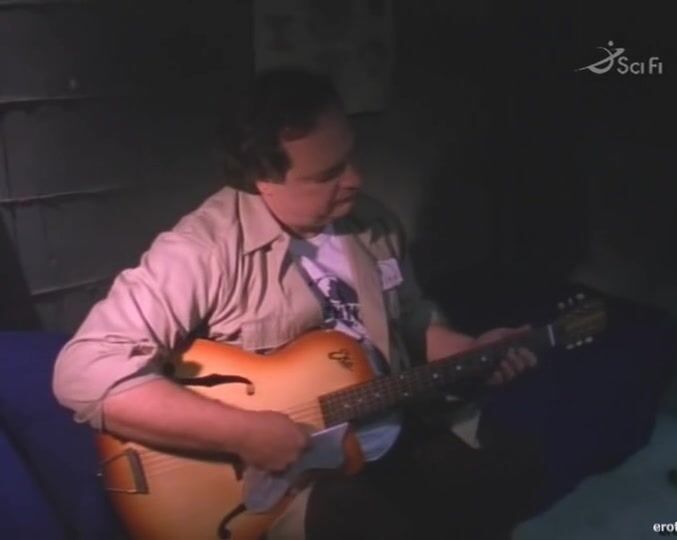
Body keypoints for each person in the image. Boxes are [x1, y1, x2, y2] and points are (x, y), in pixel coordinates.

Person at [53, 68, 542, 539]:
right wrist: (242, 433)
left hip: (394, 425)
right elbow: (84, 368)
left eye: (351, 156)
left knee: (514, 471)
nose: (356, 178)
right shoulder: (201, 250)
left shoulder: (373, 223)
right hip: (295, 483)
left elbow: (412, 321)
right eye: (328, 174)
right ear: (262, 179)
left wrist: (469, 351)